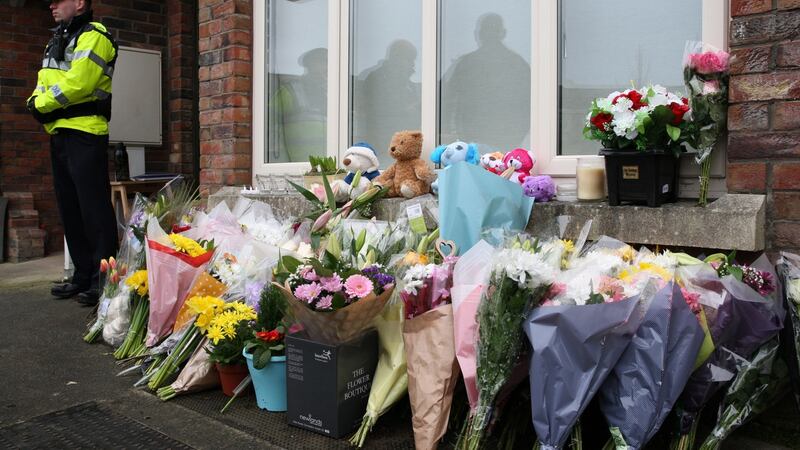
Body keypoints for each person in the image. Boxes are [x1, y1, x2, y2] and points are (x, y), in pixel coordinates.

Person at [27, 0, 118, 306]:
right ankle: (82, 276)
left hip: (86, 132)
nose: (50, 4)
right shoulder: (57, 40)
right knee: (70, 209)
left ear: (79, 3)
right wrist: (36, 99)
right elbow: (45, 81)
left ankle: (104, 280)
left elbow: (80, 83)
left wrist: (40, 105)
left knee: (94, 210)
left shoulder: (96, 35)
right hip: (60, 134)